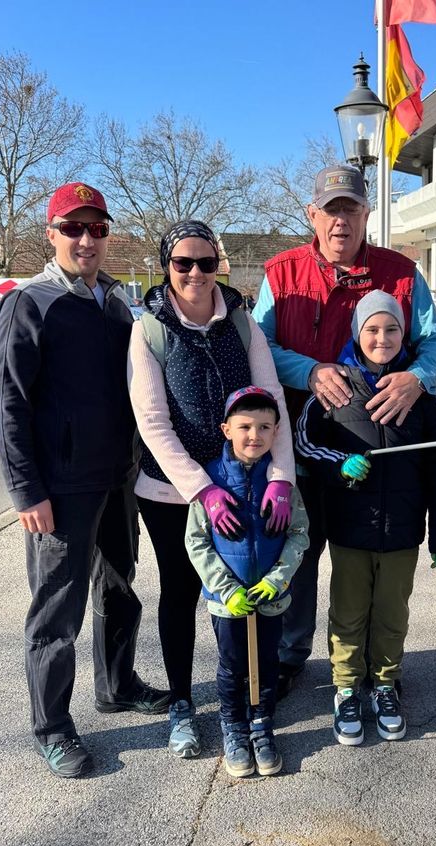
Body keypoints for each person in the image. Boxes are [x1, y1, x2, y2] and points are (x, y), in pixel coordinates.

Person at [252, 164, 436, 696]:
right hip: (300, 444)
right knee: (295, 551)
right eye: (331, 210)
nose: (341, 221)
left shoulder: (402, 272)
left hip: (377, 446)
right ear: (311, 215)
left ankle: (371, 665)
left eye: (352, 209)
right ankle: (291, 656)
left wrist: (418, 376)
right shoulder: (281, 273)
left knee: (365, 555)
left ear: (368, 213)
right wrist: (310, 371)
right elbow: (260, 347)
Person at [0, 182, 170, 779]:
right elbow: (8, 404)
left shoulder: (116, 304)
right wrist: (26, 491)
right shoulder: (29, 304)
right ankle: (52, 726)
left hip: (118, 475)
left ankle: (117, 684)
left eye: (97, 228)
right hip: (60, 486)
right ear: (52, 233)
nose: (87, 239)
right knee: (56, 610)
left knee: (119, 584)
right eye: (73, 228)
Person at [127, 220, 295, 757]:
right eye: (183, 263)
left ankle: (248, 700)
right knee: (182, 594)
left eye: (205, 262)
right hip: (171, 493)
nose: (196, 273)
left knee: (249, 586)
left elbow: (274, 404)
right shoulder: (148, 328)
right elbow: (152, 422)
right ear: (166, 267)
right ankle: (181, 702)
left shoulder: (242, 322)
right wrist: (202, 489)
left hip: (246, 485)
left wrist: (281, 480)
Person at [295, 291, 436, 745]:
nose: (382, 338)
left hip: (404, 532)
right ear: (356, 333)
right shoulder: (336, 387)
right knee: (348, 613)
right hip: (350, 530)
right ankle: (347, 686)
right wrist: (338, 463)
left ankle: (385, 684)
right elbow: (304, 444)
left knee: (392, 613)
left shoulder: (422, 394)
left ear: (404, 334)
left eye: (392, 329)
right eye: (371, 329)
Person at [186, 387, 309, 776]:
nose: (254, 435)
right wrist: (226, 589)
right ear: (226, 429)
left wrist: (279, 578)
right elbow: (196, 541)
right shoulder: (209, 481)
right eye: (244, 426)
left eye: (264, 427)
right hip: (229, 601)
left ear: (276, 433)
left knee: (267, 662)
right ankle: (234, 725)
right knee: (232, 664)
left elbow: (299, 534)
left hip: (270, 598)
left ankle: (261, 724)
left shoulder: (283, 482)